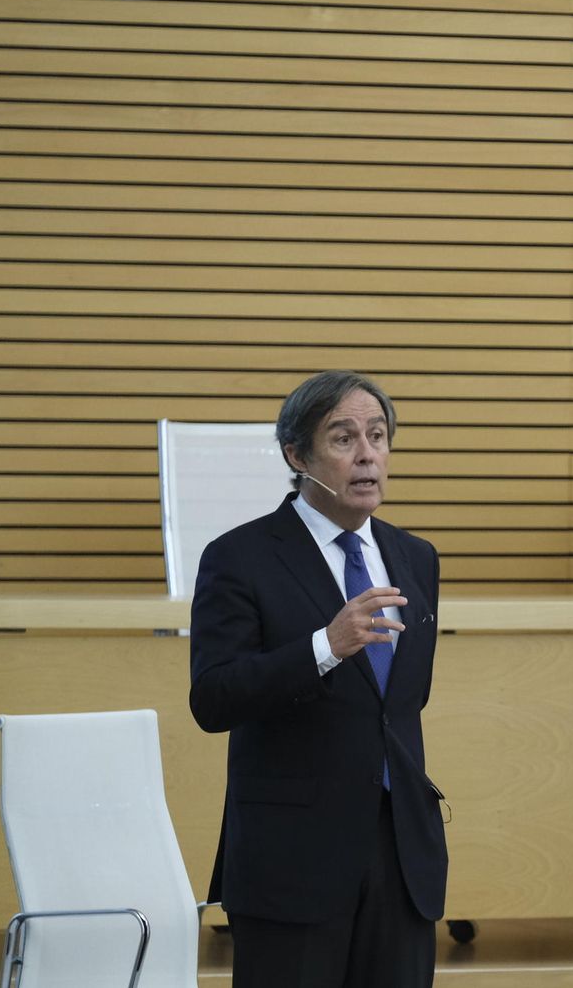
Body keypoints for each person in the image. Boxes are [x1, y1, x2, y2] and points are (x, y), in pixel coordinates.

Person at [189, 369, 447, 988]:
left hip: (401, 853)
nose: (367, 455)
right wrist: (323, 647)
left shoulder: (416, 557)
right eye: (343, 438)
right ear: (297, 456)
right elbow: (214, 697)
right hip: (293, 858)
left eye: (378, 436)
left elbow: (400, 705)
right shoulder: (240, 556)